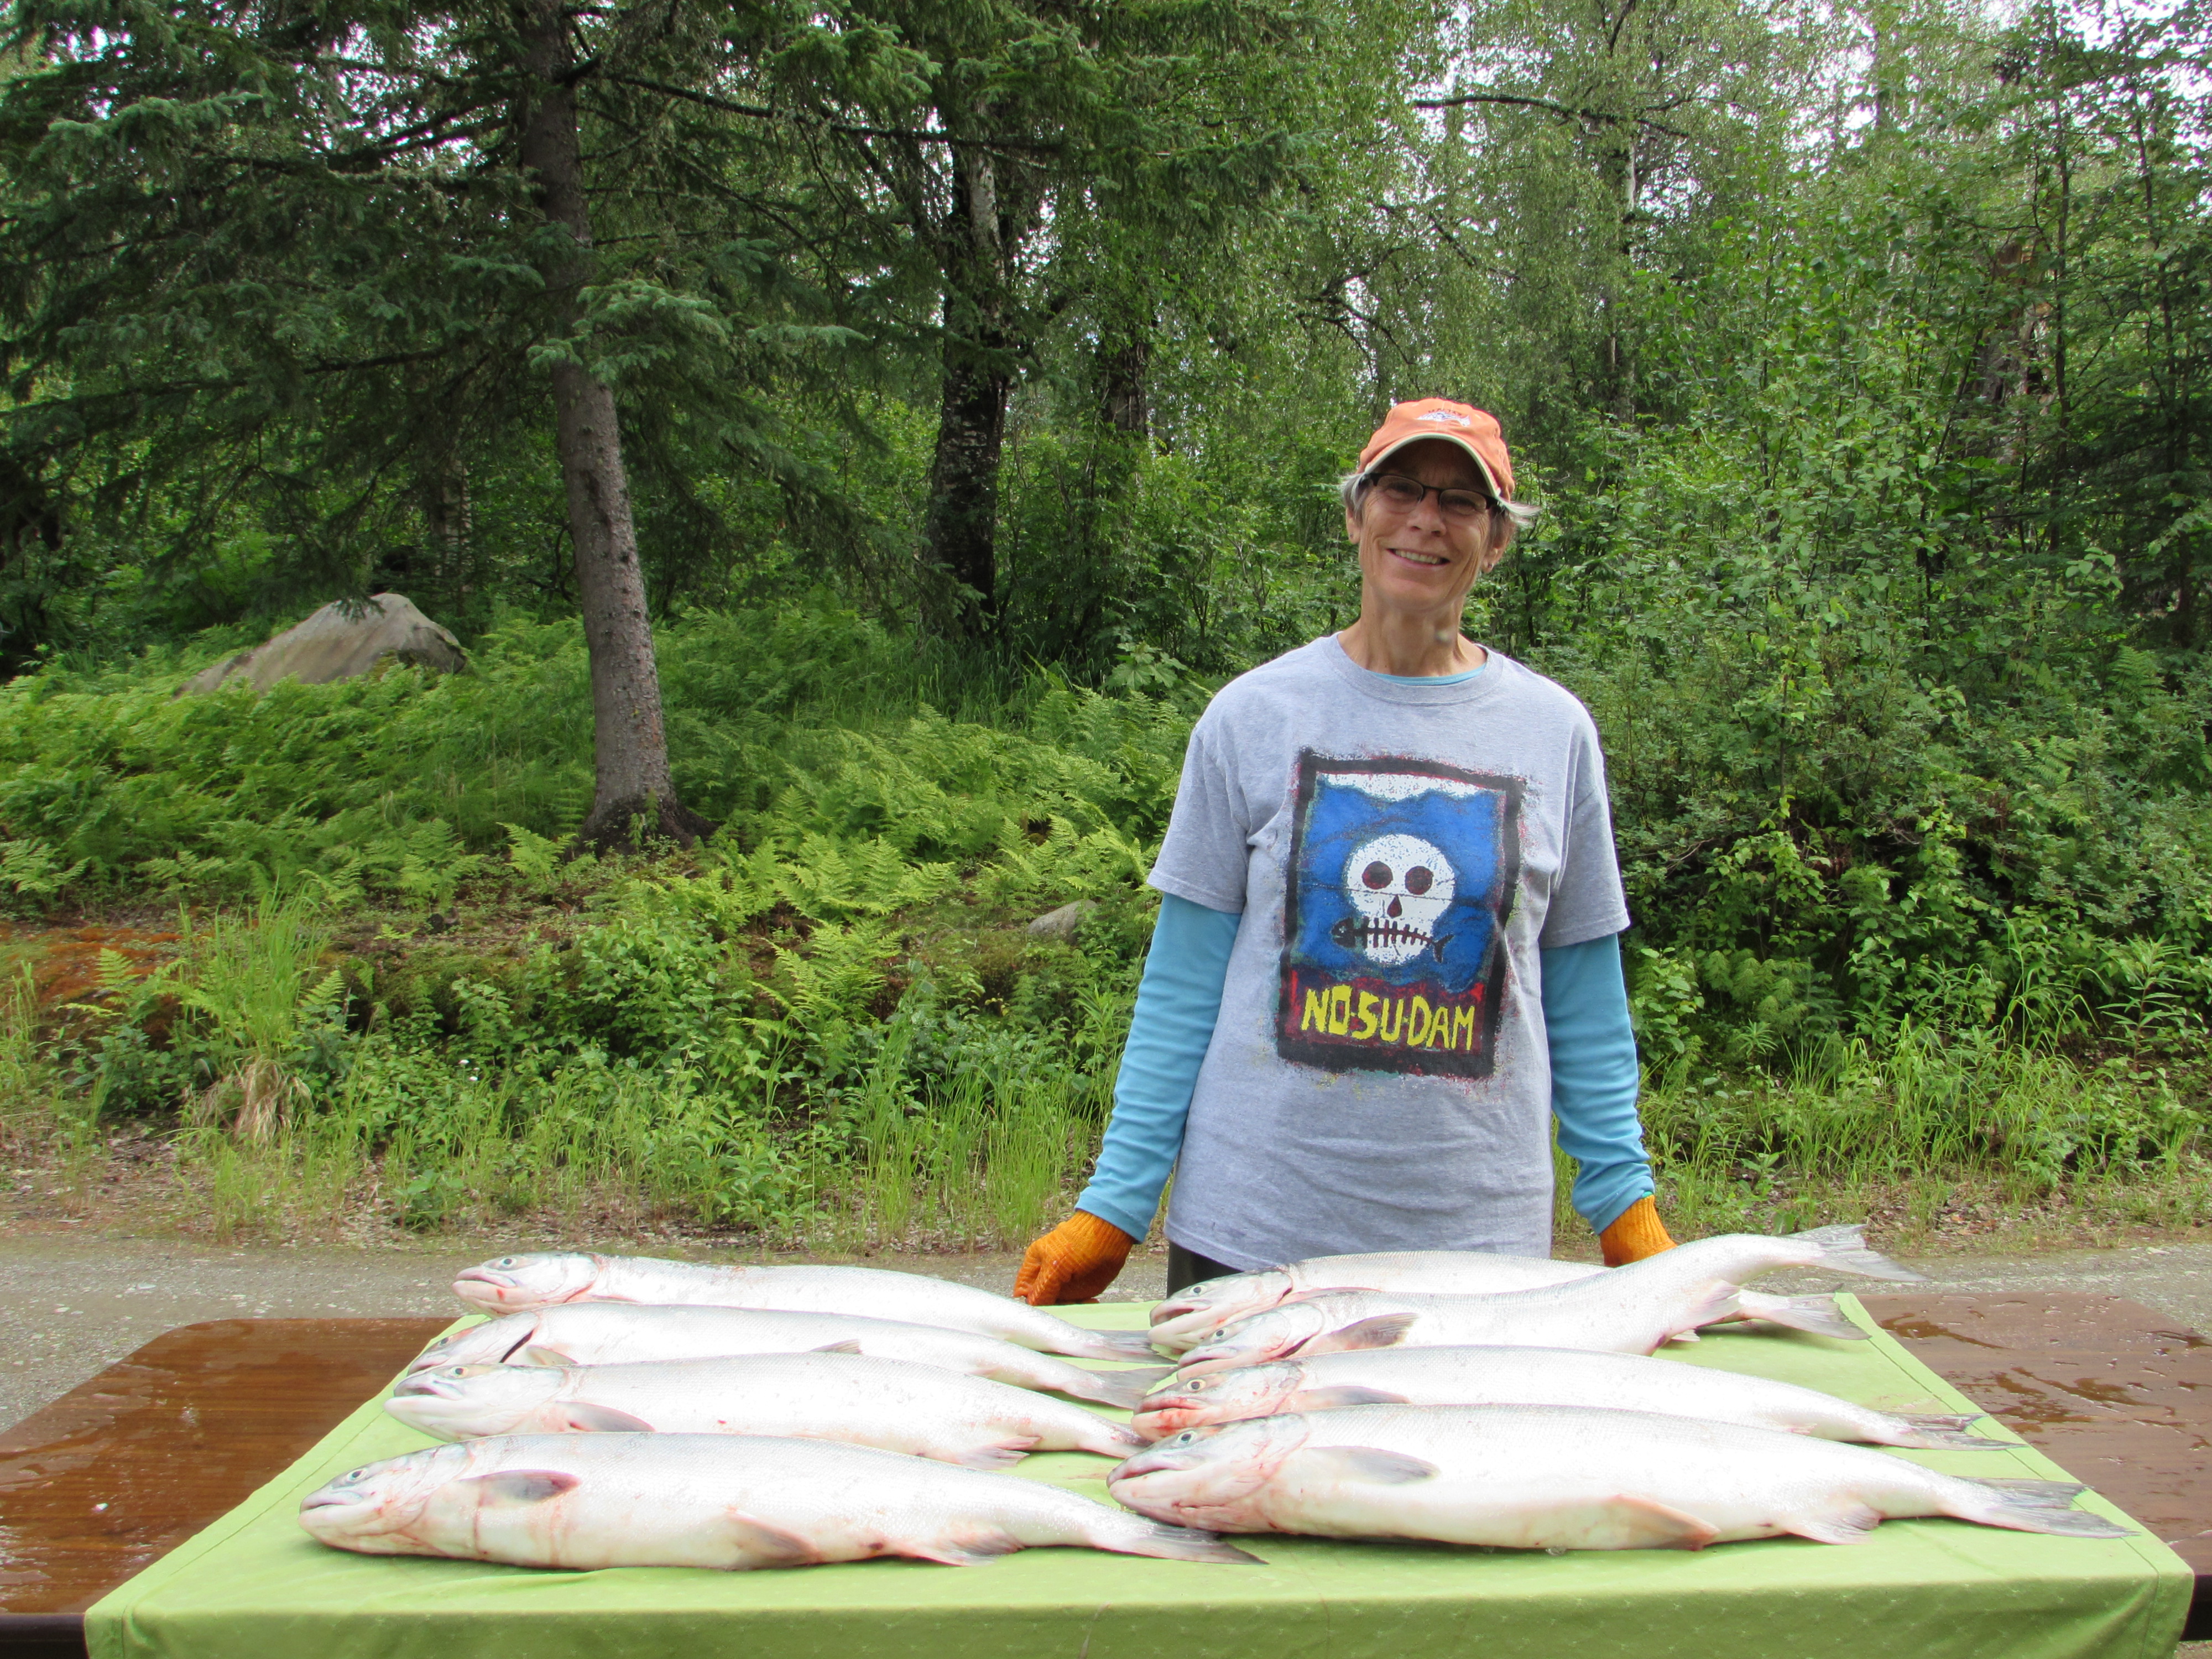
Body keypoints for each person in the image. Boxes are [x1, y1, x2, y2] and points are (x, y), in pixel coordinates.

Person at [1014, 398, 1676, 1305]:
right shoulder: (1252, 717)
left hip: (1477, 1248)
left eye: (1460, 500)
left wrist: (1623, 1208)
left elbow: (1584, 997)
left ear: (1497, 539)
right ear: (1356, 512)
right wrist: (1116, 1205)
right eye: (1402, 488)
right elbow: (1180, 991)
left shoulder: (1554, 732)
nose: (1426, 519)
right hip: (1250, 1237)